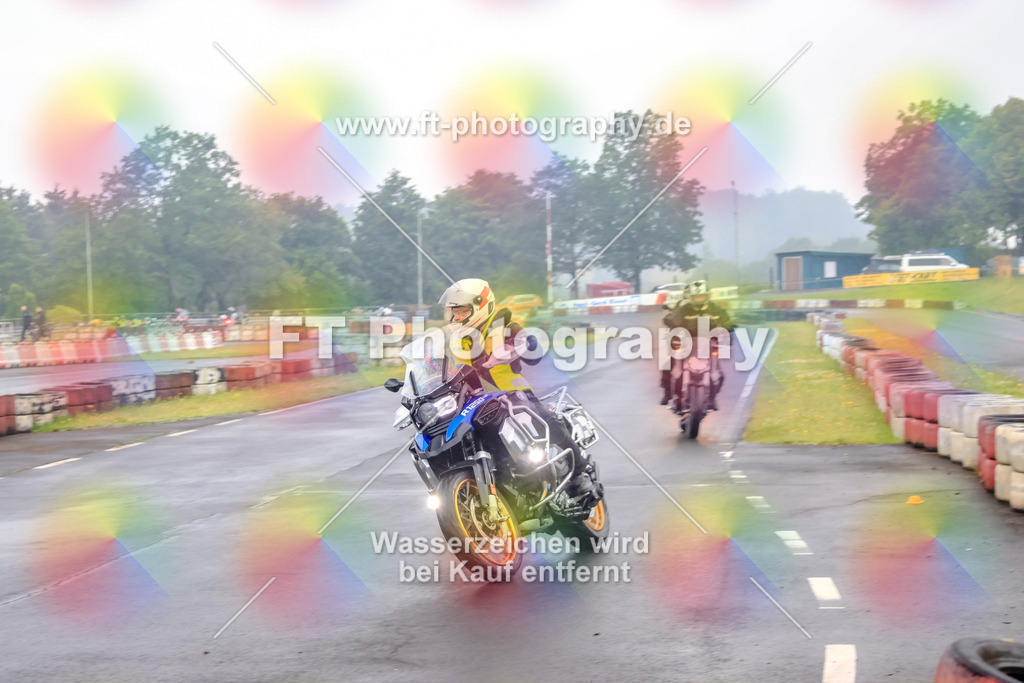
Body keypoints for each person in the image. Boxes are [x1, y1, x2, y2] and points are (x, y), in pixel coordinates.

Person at [438, 278, 602, 512]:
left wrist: (515, 349)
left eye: (463, 311)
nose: (457, 317)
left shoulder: (503, 326)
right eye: (455, 312)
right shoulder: (457, 340)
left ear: (480, 305)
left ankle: (579, 474)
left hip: (514, 395)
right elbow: (446, 369)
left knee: (547, 419)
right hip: (477, 405)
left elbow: (532, 348)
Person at [660, 280, 733, 410]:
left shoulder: (716, 309)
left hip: (709, 345)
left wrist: (729, 332)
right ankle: (672, 395)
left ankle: (711, 399)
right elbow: (674, 321)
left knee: (719, 374)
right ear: (690, 297)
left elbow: (727, 323)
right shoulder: (683, 308)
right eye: (696, 297)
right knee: (671, 367)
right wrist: (670, 323)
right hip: (687, 344)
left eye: (702, 296)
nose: (699, 300)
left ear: (708, 296)